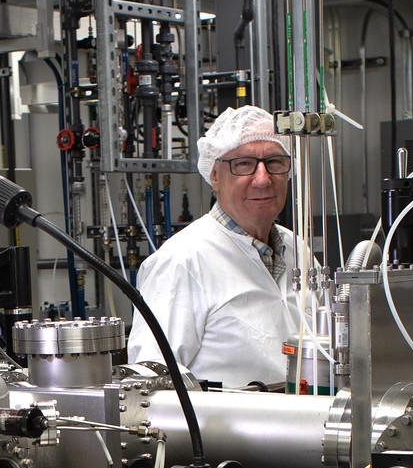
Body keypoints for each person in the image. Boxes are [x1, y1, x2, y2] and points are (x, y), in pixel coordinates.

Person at [127, 104, 297, 390]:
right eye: (243, 164)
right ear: (214, 175)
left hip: (308, 426)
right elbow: (150, 387)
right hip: (225, 433)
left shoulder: (296, 247)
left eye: (275, 162)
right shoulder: (181, 261)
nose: (263, 179)